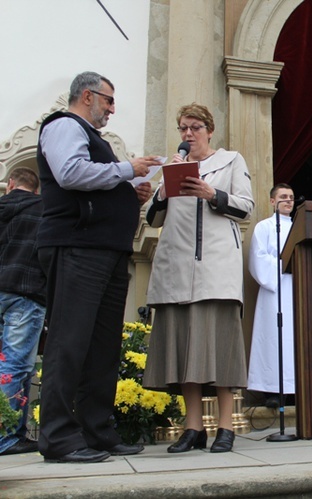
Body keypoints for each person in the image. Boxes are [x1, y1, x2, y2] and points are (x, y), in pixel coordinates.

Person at [36, 71, 159, 463]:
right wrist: (128, 170)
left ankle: (96, 431)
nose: (112, 108)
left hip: (105, 251)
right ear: (87, 96)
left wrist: (129, 195)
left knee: (102, 348)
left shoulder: (92, 136)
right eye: (108, 100)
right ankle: (57, 437)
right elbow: (70, 173)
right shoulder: (64, 126)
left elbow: (94, 185)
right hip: (77, 248)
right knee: (69, 343)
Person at [143, 103, 254, 453]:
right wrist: (163, 188)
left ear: (209, 130)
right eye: (182, 128)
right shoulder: (173, 167)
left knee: (218, 346)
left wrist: (212, 195)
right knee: (184, 346)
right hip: (176, 268)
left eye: (194, 127)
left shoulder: (231, 161)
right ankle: (193, 428)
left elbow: (246, 207)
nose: (188, 134)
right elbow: (153, 220)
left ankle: (225, 426)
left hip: (215, 268)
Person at [0, 168, 46, 456]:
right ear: (36, 189)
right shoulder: (42, 209)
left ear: (11, 184)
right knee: (16, 366)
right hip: (25, 292)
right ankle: (6, 437)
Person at [247, 183, 296, 409]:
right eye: (283, 197)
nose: (288, 201)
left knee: (294, 339)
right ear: (272, 201)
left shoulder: (300, 227)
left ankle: (296, 388)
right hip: (275, 289)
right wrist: (281, 265)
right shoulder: (264, 227)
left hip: (296, 288)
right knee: (273, 338)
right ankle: (273, 390)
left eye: (291, 197)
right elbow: (258, 258)